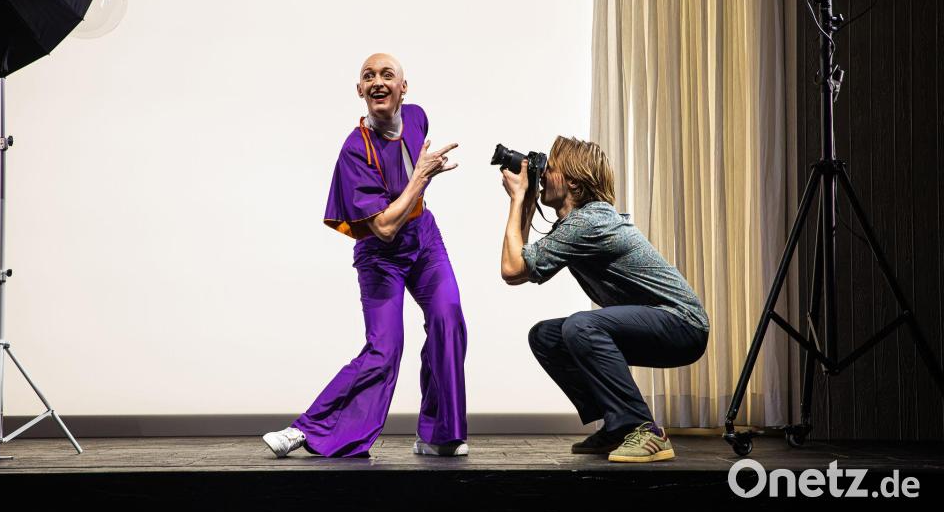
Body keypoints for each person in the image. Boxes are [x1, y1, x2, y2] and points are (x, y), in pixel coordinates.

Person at [263, 54, 468, 458]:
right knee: (385, 348)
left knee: (449, 317)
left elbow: (408, 202)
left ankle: (439, 434)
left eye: (387, 75)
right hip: (381, 255)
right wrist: (422, 177)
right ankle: (307, 429)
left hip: (424, 238)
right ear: (360, 91)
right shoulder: (354, 150)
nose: (378, 81)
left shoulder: (417, 116)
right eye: (368, 77)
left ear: (403, 88)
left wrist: (420, 178)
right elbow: (385, 227)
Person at [499, 136, 709, 463]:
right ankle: (618, 426)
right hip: (664, 323)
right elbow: (520, 265)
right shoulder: (575, 224)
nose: (542, 174)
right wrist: (525, 201)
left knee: (580, 326)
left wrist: (518, 199)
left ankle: (642, 428)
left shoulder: (589, 222)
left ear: (572, 181)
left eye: (549, 168)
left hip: (682, 324)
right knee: (546, 337)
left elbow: (512, 268)